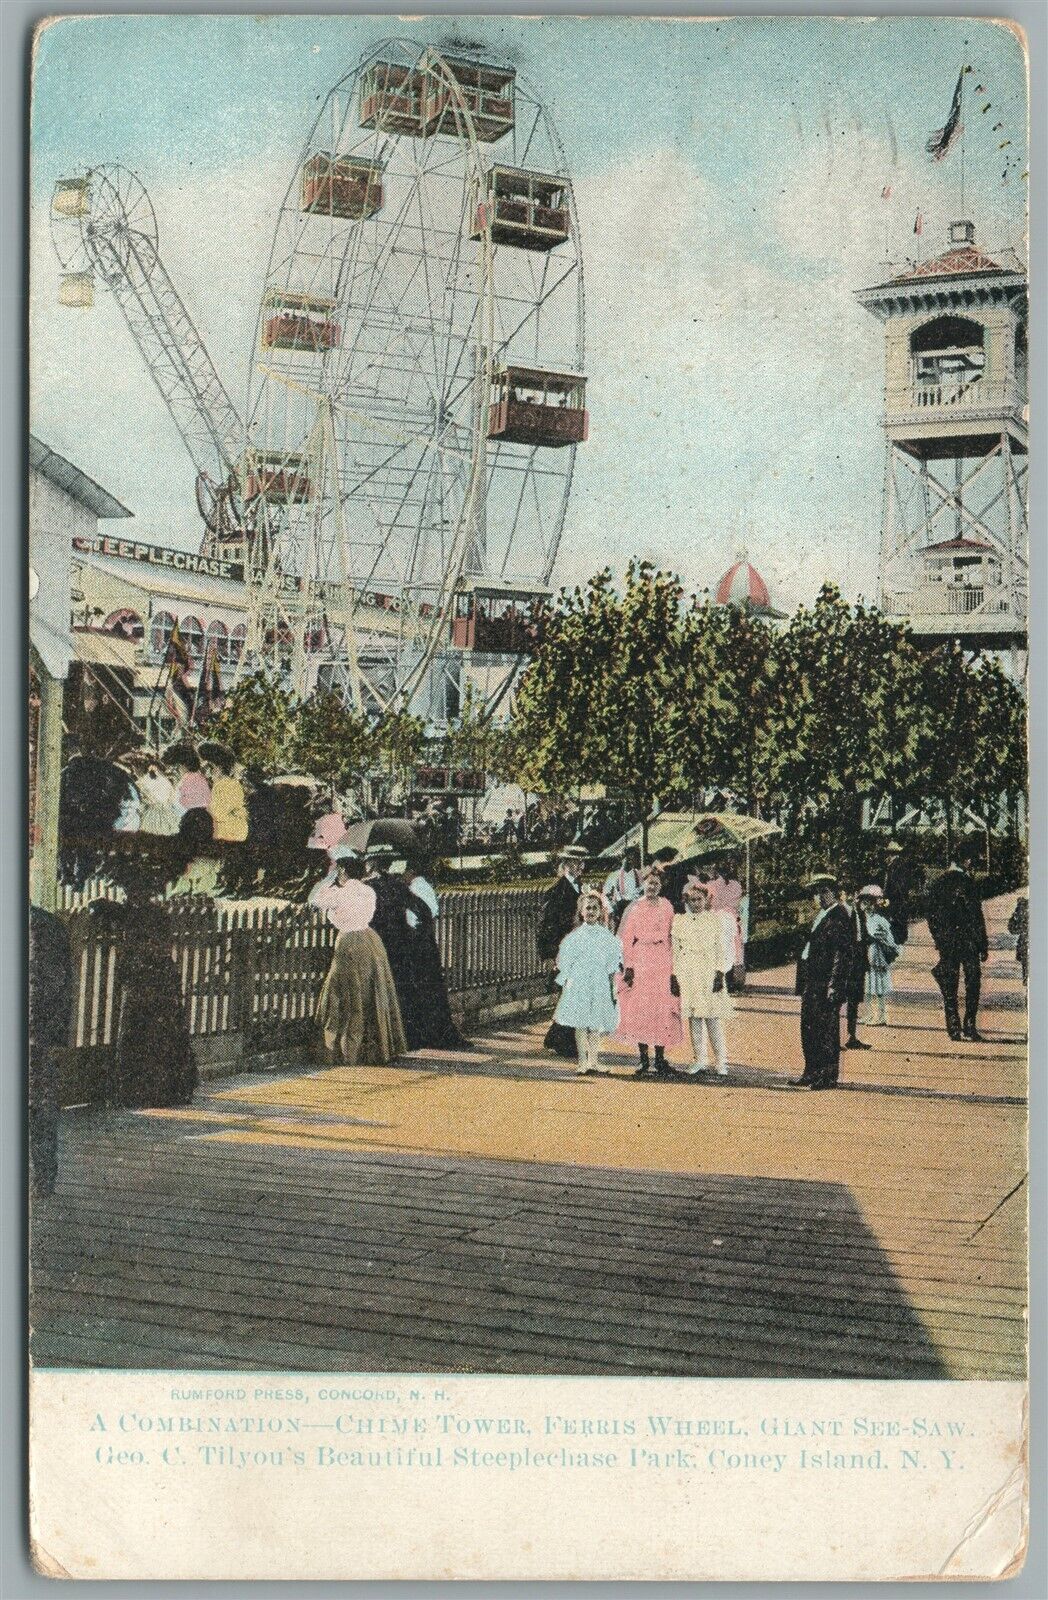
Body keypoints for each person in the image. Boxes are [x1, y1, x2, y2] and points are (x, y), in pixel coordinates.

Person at [88, 857, 198, 1108]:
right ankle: (168, 1090)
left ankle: (143, 1091)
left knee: (142, 1032)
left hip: (146, 980)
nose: (130, 897)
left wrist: (103, 907)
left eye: (132, 893)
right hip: (162, 979)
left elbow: (104, 908)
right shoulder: (155, 914)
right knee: (163, 1033)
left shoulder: (136, 915)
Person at [311, 846, 407, 1067]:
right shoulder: (368, 891)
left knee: (343, 995)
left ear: (342, 870)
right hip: (370, 940)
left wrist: (331, 882)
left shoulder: (340, 893)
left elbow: (316, 900)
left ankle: (345, 1052)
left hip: (349, 942)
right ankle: (367, 1049)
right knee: (366, 994)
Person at [789, 872, 853, 1090]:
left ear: (830, 893)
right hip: (811, 980)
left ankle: (826, 1075)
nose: (816, 897)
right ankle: (811, 1071)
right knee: (809, 1027)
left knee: (825, 1029)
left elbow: (841, 954)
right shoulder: (822, 915)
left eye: (820, 892)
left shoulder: (840, 916)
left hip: (825, 982)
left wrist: (834, 985)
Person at [617, 866, 681, 1078]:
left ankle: (660, 1058)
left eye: (655, 883)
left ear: (660, 885)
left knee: (660, 1007)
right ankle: (644, 1060)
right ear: (642, 884)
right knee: (642, 1008)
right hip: (642, 957)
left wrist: (674, 970)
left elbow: (673, 936)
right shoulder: (635, 908)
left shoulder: (667, 906)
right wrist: (629, 967)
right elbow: (626, 939)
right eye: (648, 882)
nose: (652, 886)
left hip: (662, 957)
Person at [552, 890, 623, 1076]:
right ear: (581, 912)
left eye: (594, 908)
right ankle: (582, 1062)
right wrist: (567, 980)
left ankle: (594, 1061)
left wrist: (610, 986)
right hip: (580, 982)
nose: (591, 911)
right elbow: (565, 961)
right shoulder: (574, 937)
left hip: (598, 982)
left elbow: (611, 963)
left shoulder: (606, 937)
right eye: (587, 908)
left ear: (600, 911)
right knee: (581, 1023)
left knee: (595, 1023)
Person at [28, 906, 73, 1198]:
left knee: (39, 1108)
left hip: (34, 1036)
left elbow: (57, 988)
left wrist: (48, 1036)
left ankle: (44, 1178)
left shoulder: (45, 927)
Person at [672, 878, 735, 1077]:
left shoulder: (715, 920)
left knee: (713, 1017)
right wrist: (675, 974)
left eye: (699, 899)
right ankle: (700, 1059)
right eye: (692, 900)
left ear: (706, 900)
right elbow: (675, 950)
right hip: (688, 970)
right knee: (695, 1017)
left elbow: (722, 948)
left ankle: (721, 1061)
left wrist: (720, 972)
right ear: (686, 902)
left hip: (709, 970)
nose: (696, 903)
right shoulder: (680, 921)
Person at [925, 845, 989, 1042]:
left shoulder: (938, 882)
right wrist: (983, 944)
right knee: (973, 981)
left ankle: (953, 1026)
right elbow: (977, 916)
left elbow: (930, 915)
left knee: (950, 983)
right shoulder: (968, 882)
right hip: (968, 941)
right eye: (970, 860)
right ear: (966, 860)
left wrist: (939, 937)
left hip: (948, 942)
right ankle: (970, 1025)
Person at [538, 846, 588, 1058]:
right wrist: (549, 955)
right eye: (574, 862)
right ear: (565, 864)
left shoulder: (580, 888)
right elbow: (546, 926)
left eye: (581, 862)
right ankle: (564, 1040)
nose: (579, 866)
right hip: (563, 951)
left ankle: (557, 1035)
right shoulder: (556, 891)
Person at [860, 885, 899, 1026]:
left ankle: (881, 1016)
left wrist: (876, 938)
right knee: (868, 987)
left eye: (868, 902)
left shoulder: (879, 919)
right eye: (863, 902)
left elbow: (889, 939)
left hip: (878, 955)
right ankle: (870, 1014)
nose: (865, 905)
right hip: (867, 954)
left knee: (879, 988)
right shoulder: (864, 919)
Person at [164, 742, 213, 848]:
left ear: (182, 765)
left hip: (190, 824)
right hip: (202, 822)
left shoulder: (187, 780)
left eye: (176, 767)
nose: (175, 770)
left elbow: (179, 805)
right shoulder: (199, 778)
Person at [199, 741, 249, 843]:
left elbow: (218, 813)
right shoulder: (225, 784)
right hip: (228, 835)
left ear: (219, 767)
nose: (208, 773)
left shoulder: (226, 785)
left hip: (230, 837)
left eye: (210, 767)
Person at [843, 884, 871, 1051]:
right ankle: (839, 1038)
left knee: (854, 1000)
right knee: (841, 1001)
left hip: (858, 964)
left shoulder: (859, 912)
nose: (854, 897)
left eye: (856, 894)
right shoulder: (842, 912)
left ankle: (851, 1036)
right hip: (847, 963)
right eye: (850, 893)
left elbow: (863, 937)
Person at [883, 840, 918, 948]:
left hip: (895, 897)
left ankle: (898, 941)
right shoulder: (900, 864)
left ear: (891, 854)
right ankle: (900, 939)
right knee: (900, 918)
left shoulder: (894, 866)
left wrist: (888, 896)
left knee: (896, 918)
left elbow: (893, 883)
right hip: (901, 897)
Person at [137, 756, 181, 836]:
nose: (153, 769)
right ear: (147, 768)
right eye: (150, 767)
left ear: (158, 768)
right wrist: (148, 801)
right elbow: (141, 794)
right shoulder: (143, 780)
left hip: (164, 809)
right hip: (151, 811)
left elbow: (171, 795)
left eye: (155, 767)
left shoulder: (164, 780)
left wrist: (166, 803)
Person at [602, 846, 643, 930]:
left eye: (633, 858)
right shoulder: (614, 875)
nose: (630, 861)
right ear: (622, 859)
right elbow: (605, 894)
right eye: (627, 858)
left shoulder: (639, 875)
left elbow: (643, 892)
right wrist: (612, 907)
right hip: (619, 911)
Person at [1008, 895, 1028, 986]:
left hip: (1025, 946)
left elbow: (1013, 929)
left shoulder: (1022, 906)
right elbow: (1012, 929)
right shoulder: (1022, 906)